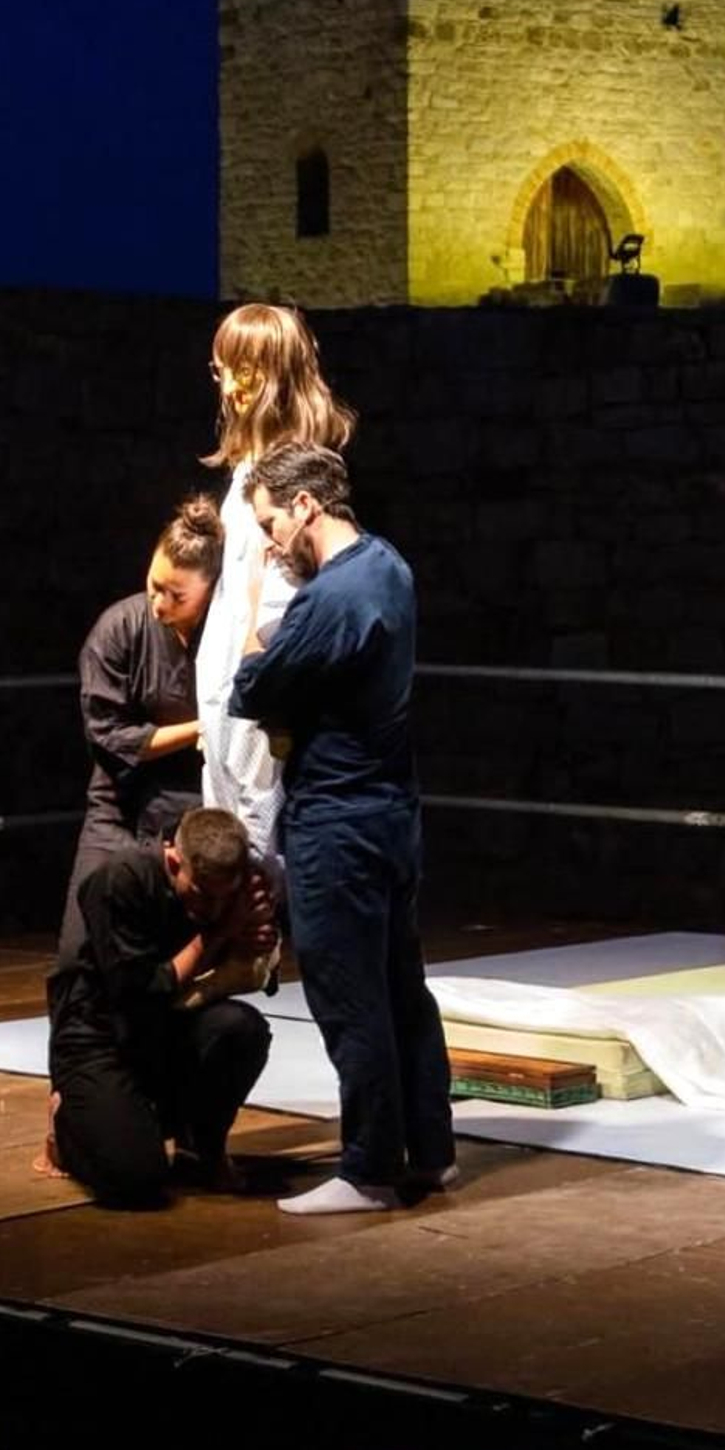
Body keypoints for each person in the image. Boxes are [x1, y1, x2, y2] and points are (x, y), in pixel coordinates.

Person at [231, 443, 456, 1215]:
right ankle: (430, 1151)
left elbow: (253, 687)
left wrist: (255, 634)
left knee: (349, 993)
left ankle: (367, 1169)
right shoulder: (389, 566)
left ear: (305, 506)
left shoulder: (333, 595)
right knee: (400, 988)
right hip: (391, 813)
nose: (270, 544)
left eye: (271, 524)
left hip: (339, 821)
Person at [47, 807, 277, 1205]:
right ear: (173, 862)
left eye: (223, 899)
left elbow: (258, 977)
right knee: (135, 1179)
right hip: (101, 1038)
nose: (213, 908)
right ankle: (66, 1124)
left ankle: (200, 1148)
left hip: (169, 1025)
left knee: (242, 1029)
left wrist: (255, 942)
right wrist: (220, 934)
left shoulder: (232, 888)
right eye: (203, 896)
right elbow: (140, 991)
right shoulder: (122, 880)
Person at [195, 303, 355, 873]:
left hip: (257, 669)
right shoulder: (249, 467)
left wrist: (258, 677)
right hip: (227, 670)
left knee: (254, 825)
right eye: (223, 370)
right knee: (225, 822)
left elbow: (284, 593)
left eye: (241, 370)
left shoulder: (292, 476)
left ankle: (260, 925)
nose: (229, 387)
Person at [52, 494, 222, 980]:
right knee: (80, 957)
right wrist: (204, 728)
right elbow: (110, 735)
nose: (160, 604)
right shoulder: (120, 629)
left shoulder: (228, 638)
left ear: (211, 590)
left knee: (186, 957)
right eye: (154, 586)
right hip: (120, 809)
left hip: (196, 816)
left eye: (177, 596)